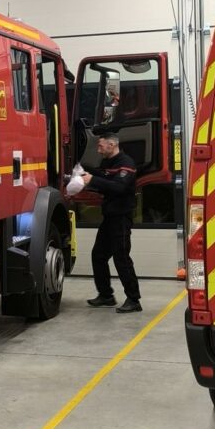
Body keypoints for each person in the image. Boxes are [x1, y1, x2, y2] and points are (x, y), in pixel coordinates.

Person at [82, 132, 141, 313]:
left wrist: (92, 179)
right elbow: (104, 181)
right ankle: (106, 295)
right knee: (98, 255)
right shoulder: (107, 163)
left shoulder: (126, 163)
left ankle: (134, 300)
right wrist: (85, 174)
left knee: (121, 258)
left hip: (121, 217)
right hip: (109, 217)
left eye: (101, 146)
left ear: (112, 145)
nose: (99, 150)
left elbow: (119, 187)